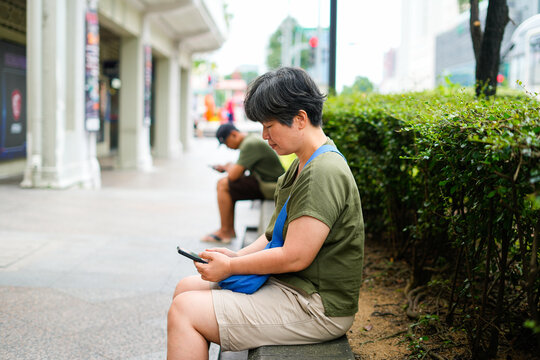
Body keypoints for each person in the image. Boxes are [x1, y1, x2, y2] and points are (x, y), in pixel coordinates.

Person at [167, 67, 364, 360]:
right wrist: (235, 257)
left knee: (184, 311)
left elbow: (296, 255)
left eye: (269, 126)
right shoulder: (303, 165)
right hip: (293, 287)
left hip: (316, 306)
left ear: (300, 119)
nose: (264, 136)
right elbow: (273, 237)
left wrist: (232, 269)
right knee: (185, 288)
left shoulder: (322, 172)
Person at [202, 123, 284, 243]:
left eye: (226, 142)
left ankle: (226, 232)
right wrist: (228, 167)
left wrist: (229, 167)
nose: (227, 147)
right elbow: (237, 172)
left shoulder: (250, 144)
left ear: (234, 134)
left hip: (271, 186)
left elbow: (233, 176)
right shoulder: (250, 140)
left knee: (223, 184)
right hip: (264, 181)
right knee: (224, 183)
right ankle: (227, 230)